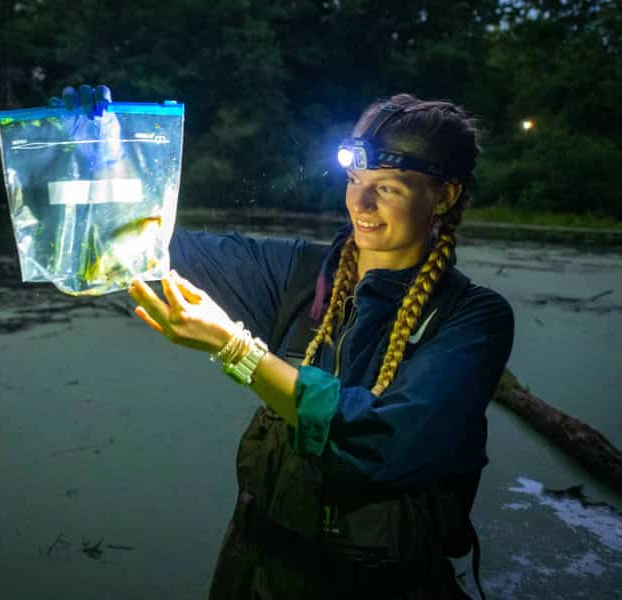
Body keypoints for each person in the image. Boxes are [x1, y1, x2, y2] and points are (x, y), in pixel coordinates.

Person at [64, 86, 514, 598]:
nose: (360, 203)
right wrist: (103, 154)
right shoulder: (297, 276)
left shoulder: (474, 319)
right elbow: (132, 250)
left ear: (445, 194)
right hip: (255, 578)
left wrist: (237, 350)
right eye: (353, 180)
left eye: (387, 187)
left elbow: (386, 442)